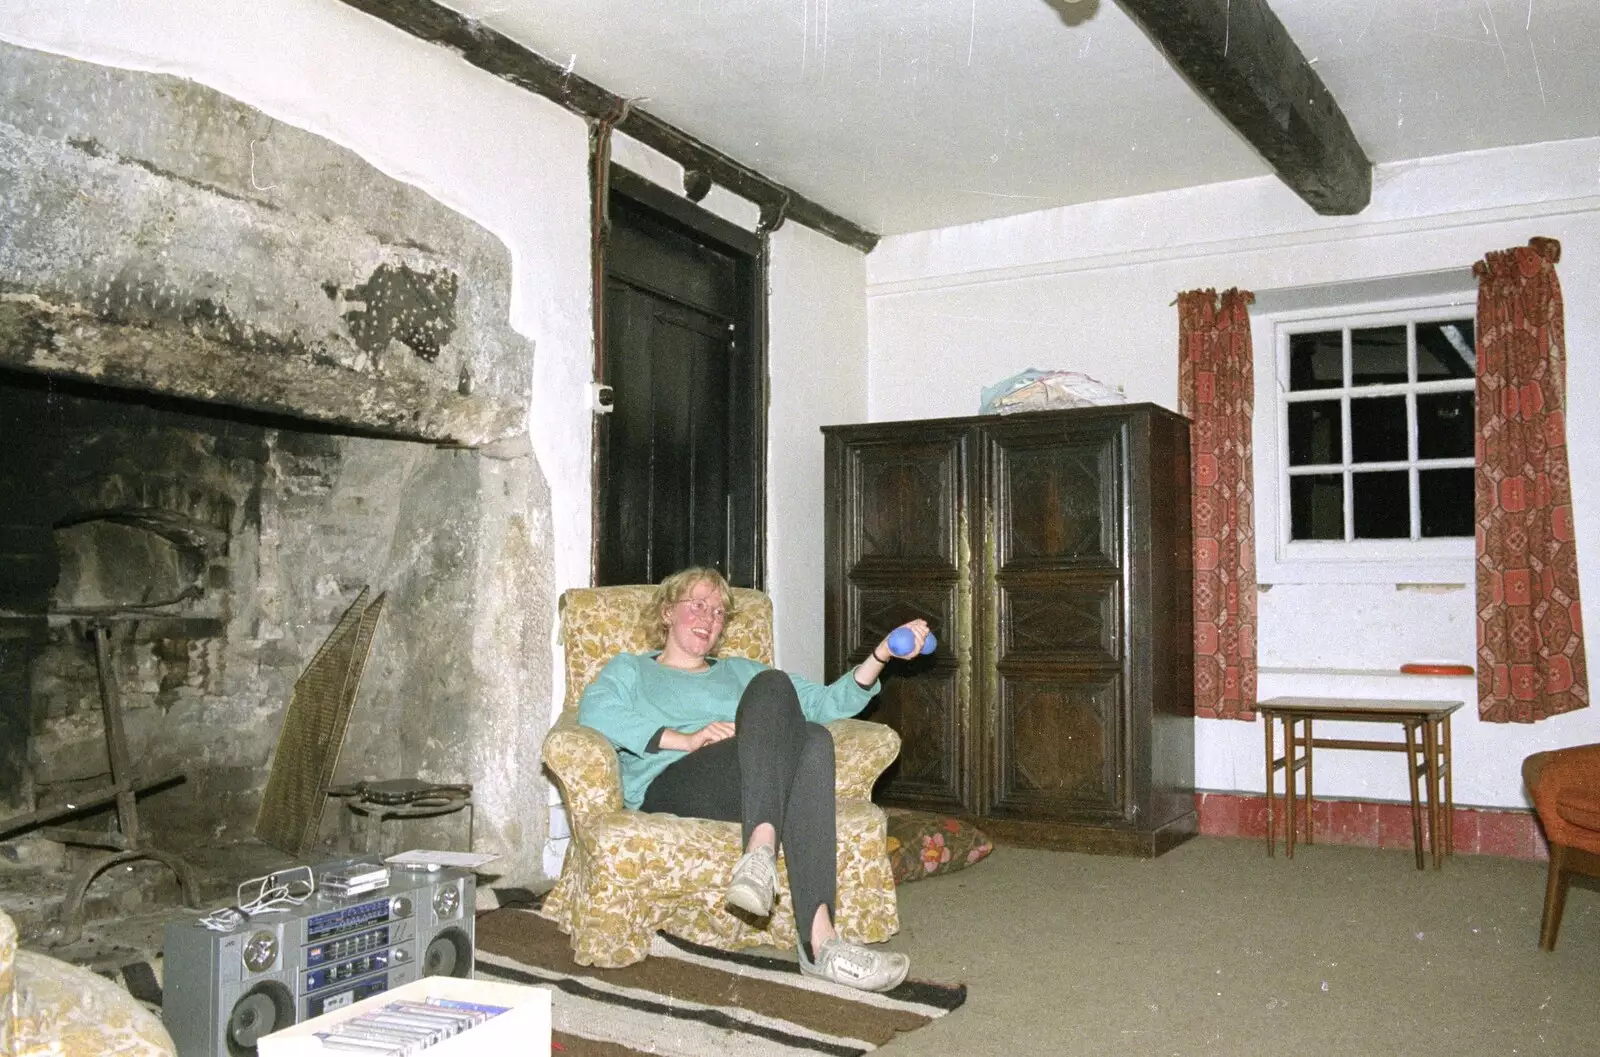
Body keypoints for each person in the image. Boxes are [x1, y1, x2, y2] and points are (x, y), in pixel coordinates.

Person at [577, 566, 930, 992]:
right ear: (668, 612)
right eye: (698, 606)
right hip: (671, 782)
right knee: (783, 701)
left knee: (810, 733)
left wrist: (881, 656)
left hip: (746, 781)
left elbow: (823, 702)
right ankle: (762, 854)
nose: (709, 618)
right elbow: (595, 711)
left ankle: (821, 942)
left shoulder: (741, 671)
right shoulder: (631, 670)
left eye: (720, 613)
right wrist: (684, 740)